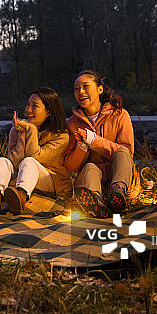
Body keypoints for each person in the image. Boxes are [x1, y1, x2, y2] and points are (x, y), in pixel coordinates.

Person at [0, 87, 71, 214]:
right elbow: (15, 161)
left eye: (34, 106)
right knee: (2, 161)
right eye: (28, 105)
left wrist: (30, 129)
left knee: (29, 161)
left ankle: (21, 196)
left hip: (52, 183)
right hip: (25, 176)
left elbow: (35, 157)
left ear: (48, 112)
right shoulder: (20, 128)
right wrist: (21, 133)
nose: (28, 110)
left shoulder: (62, 136)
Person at [64, 70, 141, 218]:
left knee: (123, 151)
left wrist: (94, 141)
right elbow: (71, 167)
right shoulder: (72, 123)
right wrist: (82, 147)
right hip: (90, 179)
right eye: (76, 88)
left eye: (86, 86)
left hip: (118, 175)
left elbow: (127, 153)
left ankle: (117, 192)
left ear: (99, 89)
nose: (80, 92)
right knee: (90, 167)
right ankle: (96, 202)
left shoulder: (120, 114)